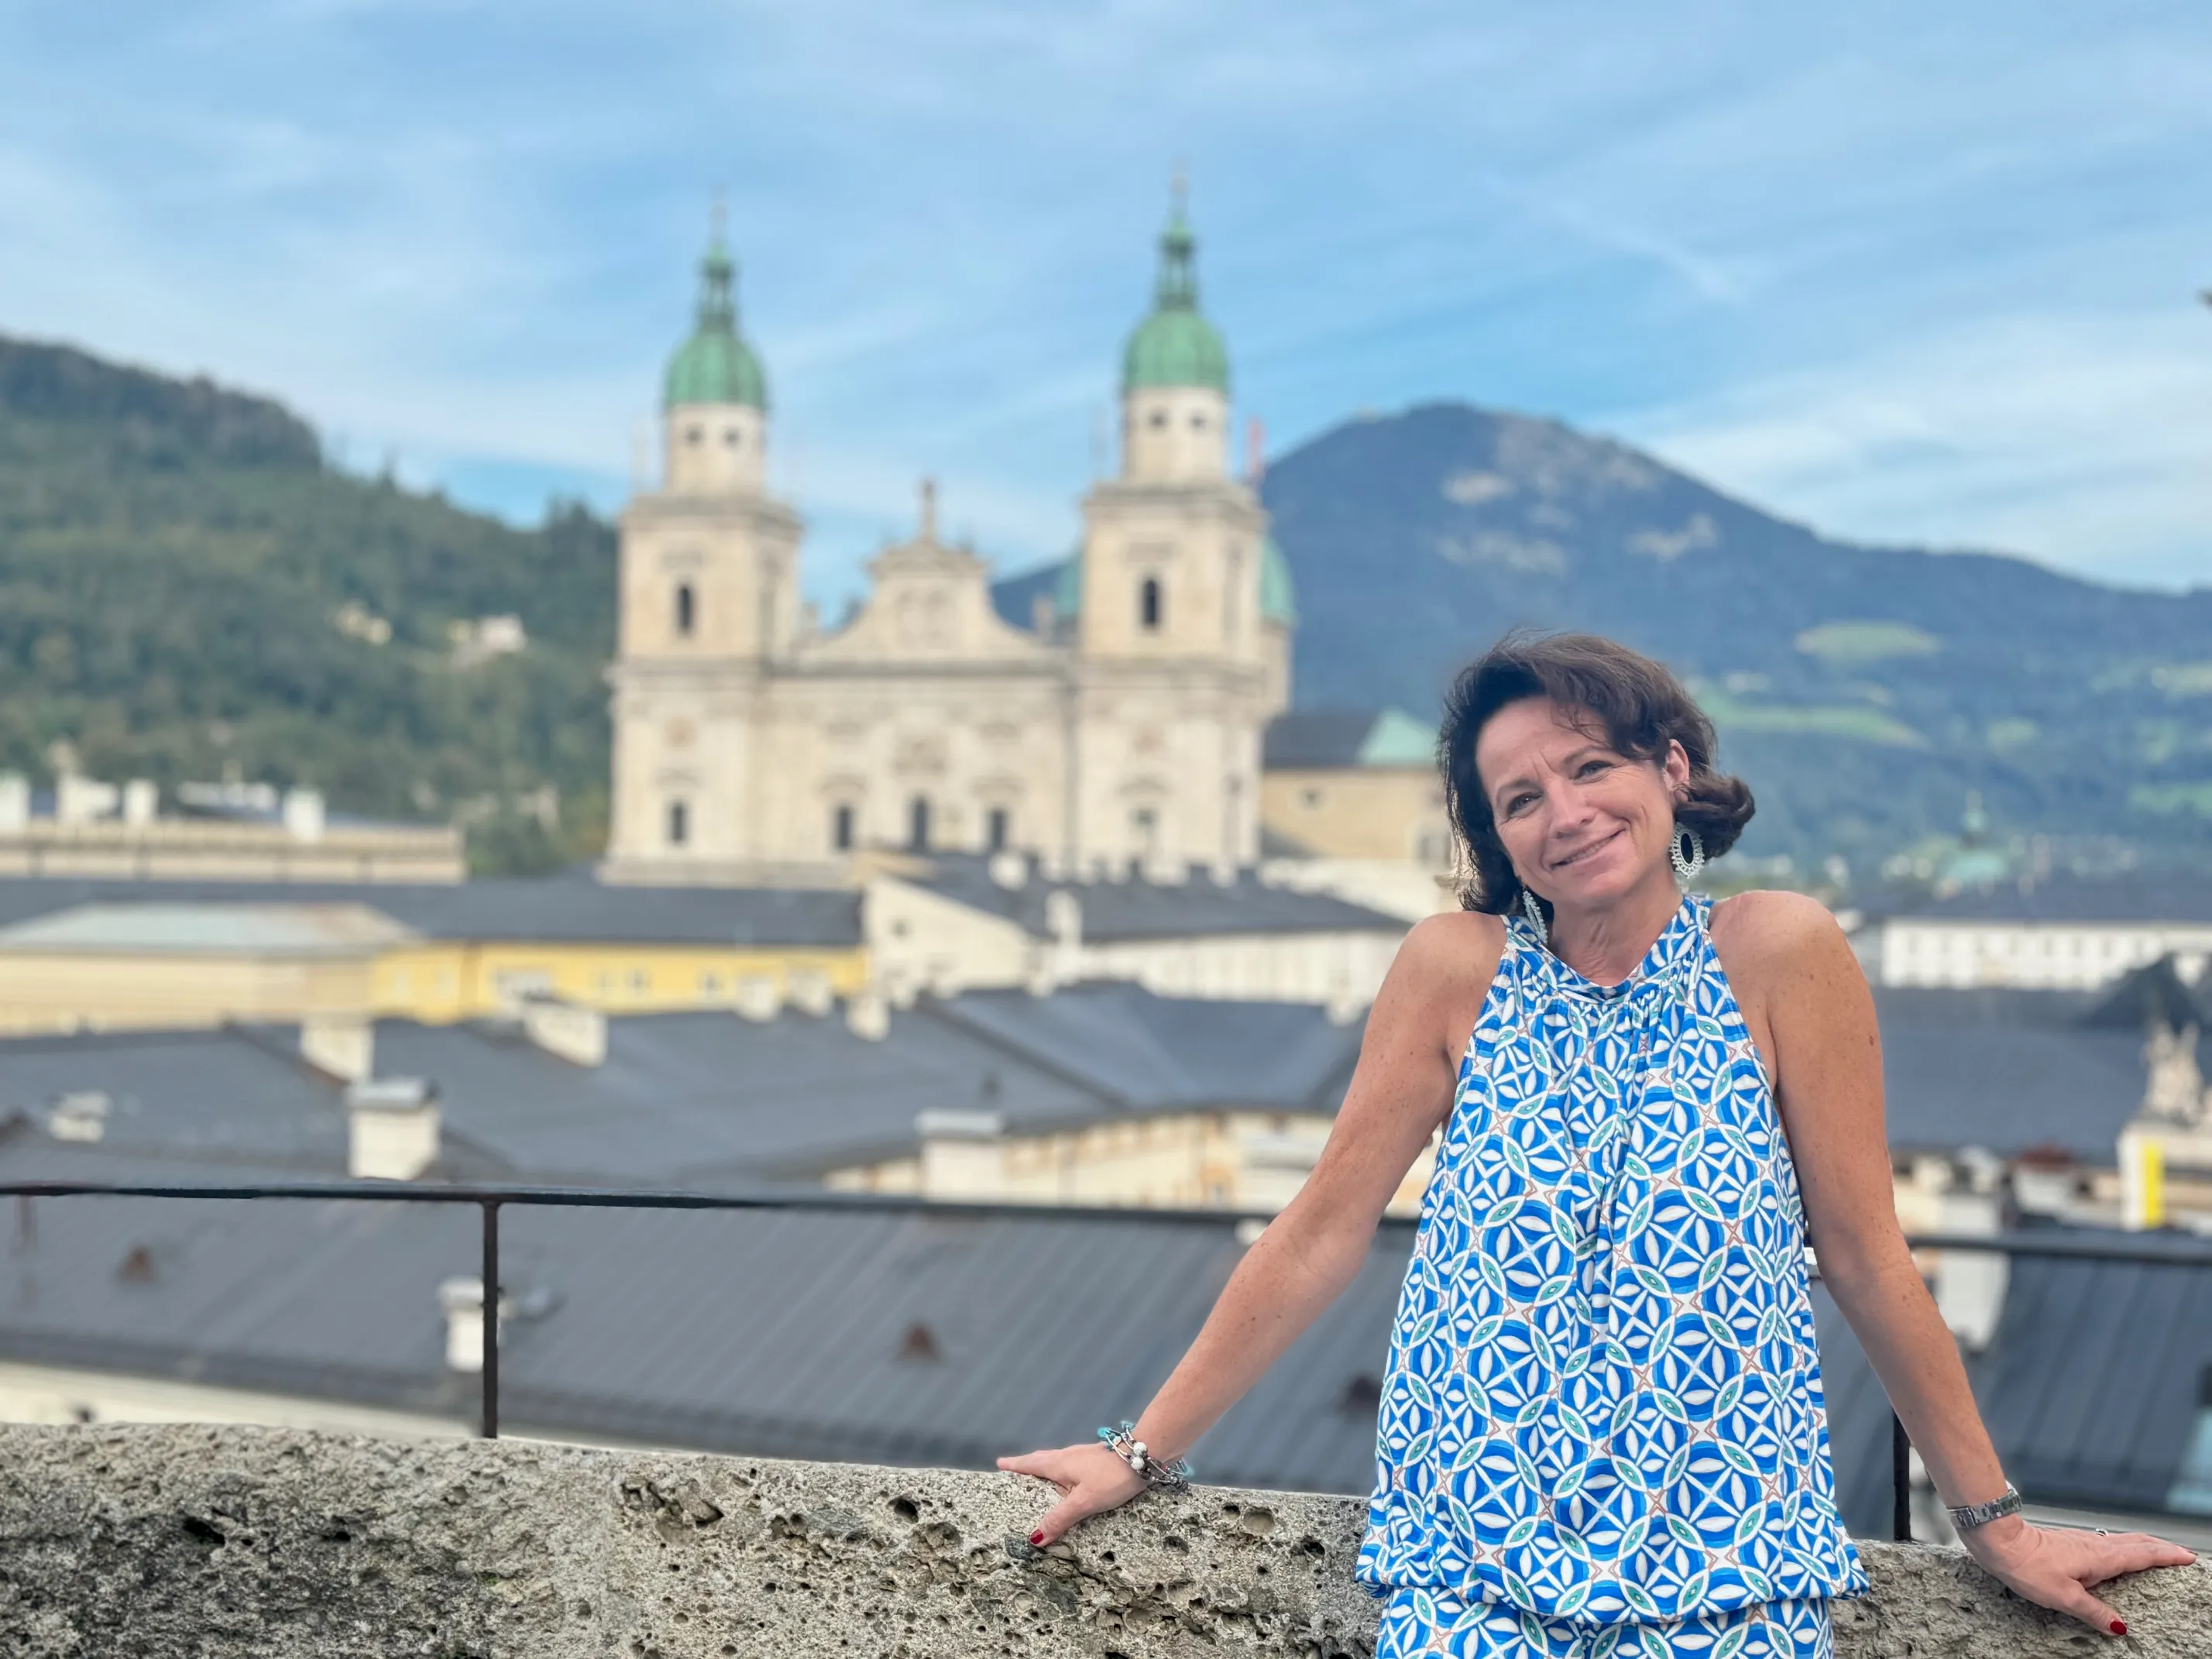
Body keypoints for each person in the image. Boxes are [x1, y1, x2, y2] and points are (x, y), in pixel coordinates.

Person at [1000, 633, 2197, 1657]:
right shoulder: (1451, 972)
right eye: (1521, 799)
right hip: (1474, 1570)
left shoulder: (1778, 952)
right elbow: (1321, 1227)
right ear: (1499, 840)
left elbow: (1867, 1253)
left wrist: (1995, 1522)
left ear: (1670, 767)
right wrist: (1137, 1452)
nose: (1564, 812)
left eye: (1591, 765)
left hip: (1731, 1569)